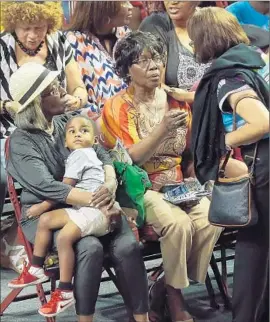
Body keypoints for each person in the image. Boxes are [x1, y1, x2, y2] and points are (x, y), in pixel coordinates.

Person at [7, 62, 149, 322]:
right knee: (90, 247)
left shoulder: (65, 121)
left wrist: (108, 185)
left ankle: (142, 318)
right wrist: (100, 202)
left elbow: (102, 152)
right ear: (37, 102)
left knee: (127, 245)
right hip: (44, 217)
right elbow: (49, 186)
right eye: (53, 89)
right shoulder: (21, 141)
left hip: (91, 204)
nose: (63, 89)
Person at [99, 31, 222, 322]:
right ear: (127, 70)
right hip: (139, 188)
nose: (154, 66)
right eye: (143, 61)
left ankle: (165, 286)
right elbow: (131, 158)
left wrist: (193, 181)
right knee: (177, 225)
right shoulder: (117, 107)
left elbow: (190, 154)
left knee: (210, 217)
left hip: (178, 185)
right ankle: (176, 298)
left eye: (157, 59)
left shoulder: (177, 102)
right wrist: (162, 129)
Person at [187, 7, 269, 322]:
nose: (193, 47)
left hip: (261, 167)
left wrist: (224, 142)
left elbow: (262, 122)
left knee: (252, 247)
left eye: (195, 41)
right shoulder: (251, 62)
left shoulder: (228, 77)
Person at [8, 114, 123, 317]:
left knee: (63, 236)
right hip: (83, 207)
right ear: (65, 141)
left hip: (95, 209)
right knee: (46, 221)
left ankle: (65, 289)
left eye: (84, 131)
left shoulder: (81, 155)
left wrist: (42, 206)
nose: (78, 134)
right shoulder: (74, 156)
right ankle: (36, 268)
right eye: (72, 132)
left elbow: (65, 188)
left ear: (95, 140)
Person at [0, 1, 88, 241]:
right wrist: (7, 105)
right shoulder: (1, 47)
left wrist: (76, 100)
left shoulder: (58, 41)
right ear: (13, 23)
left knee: (89, 145)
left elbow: (79, 88)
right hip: (10, 132)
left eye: (39, 28)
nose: (32, 35)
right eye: (25, 28)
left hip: (55, 127)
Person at [65, 1, 133, 119]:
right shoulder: (73, 41)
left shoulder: (126, 35)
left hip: (132, 115)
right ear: (104, 9)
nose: (131, 7)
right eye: (123, 2)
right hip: (96, 122)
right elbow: (76, 92)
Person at [139, 1, 210, 104]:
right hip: (177, 112)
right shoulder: (155, 24)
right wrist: (188, 96)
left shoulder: (214, 20)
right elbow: (155, 86)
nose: (173, 2)